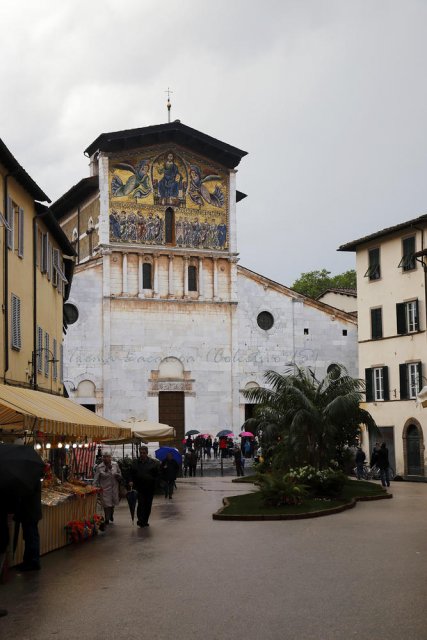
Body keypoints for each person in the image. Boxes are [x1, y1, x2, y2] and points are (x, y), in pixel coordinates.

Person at [131, 446, 160, 527]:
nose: (142, 454)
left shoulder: (153, 463)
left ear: (147, 453)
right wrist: (130, 481)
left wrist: (155, 483)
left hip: (150, 488)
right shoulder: (135, 462)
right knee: (141, 504)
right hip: (139, 487)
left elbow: (157, 475)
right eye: (141, 453)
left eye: (144, 453)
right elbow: (131, 473)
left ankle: (145, 520)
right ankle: (140, 520)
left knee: (148, 505)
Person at [92, 453, 122, 524]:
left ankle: (111, 514)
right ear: (102, 458)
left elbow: (120, 473)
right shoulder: (99, 467)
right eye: (104, 457)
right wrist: (94, 487)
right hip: (104, 489)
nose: (106, 458)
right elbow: (96, 479)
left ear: (110, 458)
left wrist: (118, 475)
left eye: (107, 457)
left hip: (114, 487)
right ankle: (107, 518)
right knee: (106, 504)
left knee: (112, 503)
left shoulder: (115, 464)